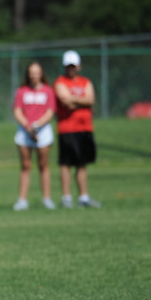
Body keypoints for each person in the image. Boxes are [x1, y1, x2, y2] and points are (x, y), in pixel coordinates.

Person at [54, 50, 101, 208]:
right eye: (68, 66)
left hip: (85, 127)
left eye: (73, 66)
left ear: (79, 66)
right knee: (66, 163)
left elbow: (91, 99)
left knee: (82, 163)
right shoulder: (60, 82)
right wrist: (82, 100)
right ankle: (66, 198)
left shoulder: (85, 81)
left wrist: (75, 99)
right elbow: (65, 101)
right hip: (67, 128)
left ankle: (83, 197)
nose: (71, 69)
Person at [12, 61, 57, 211]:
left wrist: (37, 126)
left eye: (37, 73)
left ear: (41, 74)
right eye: (31, 73)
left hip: (42, 131)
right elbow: (17, 111)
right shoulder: (21, 91)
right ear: (28, 74)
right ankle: (22, 200)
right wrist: (28, 127)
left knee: (43, 165)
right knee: (25, 166)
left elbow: (50, 112)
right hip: (25, 132)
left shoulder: (48, 91)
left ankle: (47, 199)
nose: (34, 76)